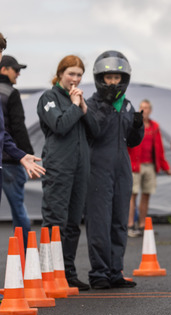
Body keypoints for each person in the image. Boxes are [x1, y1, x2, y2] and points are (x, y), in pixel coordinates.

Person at [37, 55, 98, 291]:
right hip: (58, 167)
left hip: (80, 168)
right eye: (71, 73)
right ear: (61, 73)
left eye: (79, 74)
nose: (75, 78)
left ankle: (68, 272)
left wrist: (84, 108)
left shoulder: (79, 99)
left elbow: (96, 131)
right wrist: (73, 106)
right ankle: (48, 272)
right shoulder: (48, 97)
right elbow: (60, 126)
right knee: (55, 221)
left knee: (73, 223)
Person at [85, 51, 144, 289]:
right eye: (108, 78)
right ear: (100, 78)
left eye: (117, 78)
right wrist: (109, 106)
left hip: (122, 169)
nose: (113, 82)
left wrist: (138, 127)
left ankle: (115, 270)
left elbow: (131, 141)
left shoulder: (127, 105)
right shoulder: (91, 104)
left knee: (120, 222)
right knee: (99, 222)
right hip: (98, 168)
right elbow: (96, 131)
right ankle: (99, 273)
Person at [0, 55, 34, 248]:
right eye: (15, 69)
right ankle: (27, 254)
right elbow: (18, 127)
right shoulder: (10, 93)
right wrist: (26, 155)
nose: (19, 73)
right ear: (3, 69)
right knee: (19, 210)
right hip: (10, 161)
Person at [127, 99, 171, 237]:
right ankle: (130, 226)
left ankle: (142, 226)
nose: (144, 110)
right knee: (132, 195)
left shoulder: (154, 127)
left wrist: (164, 166)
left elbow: (159, 148)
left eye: (146, 108)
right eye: (142, 107)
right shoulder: (133, 124)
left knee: (146, 195)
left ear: (150, 110)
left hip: (149, 165)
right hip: (135, 166)